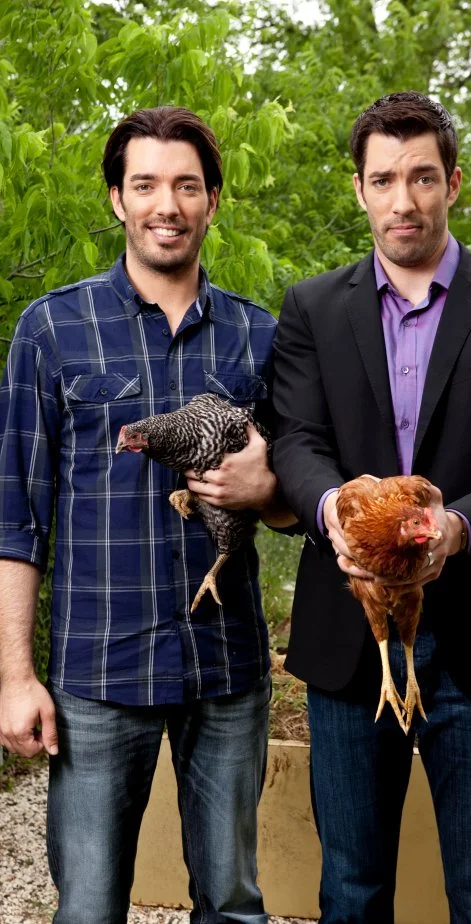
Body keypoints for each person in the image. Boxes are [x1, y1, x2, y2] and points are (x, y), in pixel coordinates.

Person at [272, 91, 471, 924]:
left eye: (422, 177)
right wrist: (335, 508)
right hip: (347, 630)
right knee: (351, 892)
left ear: (454, 183)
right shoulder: (312, 308)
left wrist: (455, 528)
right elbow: (294, 439)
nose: (403, 200)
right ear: (359, 190)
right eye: (383, 179)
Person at [0, 106, 292, 924]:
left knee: (233, 902)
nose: (168, 203)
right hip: (99, 675)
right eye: (147, 184)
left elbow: (292, 510)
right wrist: (16, 677)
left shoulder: (260, 336)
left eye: (187, 185)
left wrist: (268, 489)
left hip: (226, 668)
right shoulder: (51, 329)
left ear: (213, 201)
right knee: (89, 907)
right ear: (116, 201)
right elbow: (15, 520)